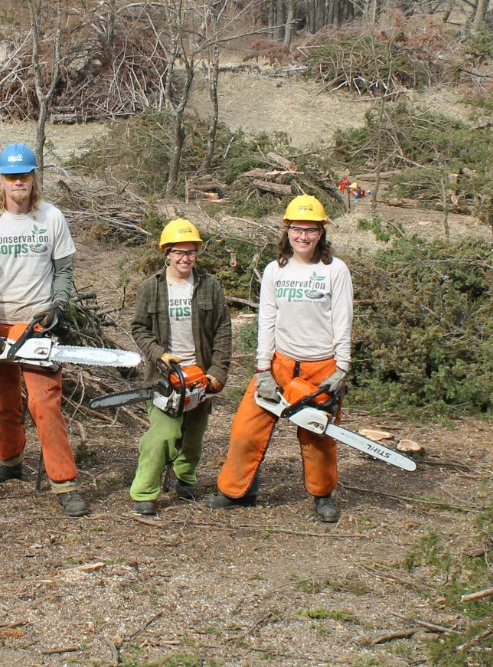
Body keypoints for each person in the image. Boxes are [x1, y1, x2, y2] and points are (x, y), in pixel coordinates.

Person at [209, 194, 353, 523]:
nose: (303, 236)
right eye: (297, 229)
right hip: (280, 363)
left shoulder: (335, 270)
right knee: (246, 430)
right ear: (287, 230)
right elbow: (267, 320)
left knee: (319, 436)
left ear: (321, 233)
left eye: (311, 230)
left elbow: (344, 321)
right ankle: (236, 490)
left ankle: (322, 495)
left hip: (322, 365)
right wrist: (263, 369)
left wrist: (342, 368)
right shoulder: (276, 270)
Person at [0, 142, 88, 516]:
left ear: (34, 178)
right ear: (0, 179)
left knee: (44, 402)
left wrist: (58, 307)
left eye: (24, 176)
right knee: (3, 401)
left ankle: (64, 480)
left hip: (36, 323)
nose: (18, 182)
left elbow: (63, 270)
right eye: (11, 176)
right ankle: (10, 461)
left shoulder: (51, 217)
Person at [127, 218, 232, 517]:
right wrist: (159, 354)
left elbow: (224, 329)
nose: (185, 258)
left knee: (194, 435)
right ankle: (145, 490)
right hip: (165, 376)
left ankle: (184, 477)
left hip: (200, 374)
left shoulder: (210, 286)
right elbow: (139, 329)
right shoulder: (152, 288)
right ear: (167, 253)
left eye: (191, 252)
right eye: (179, 252)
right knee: (161, 434)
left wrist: (218, 371)